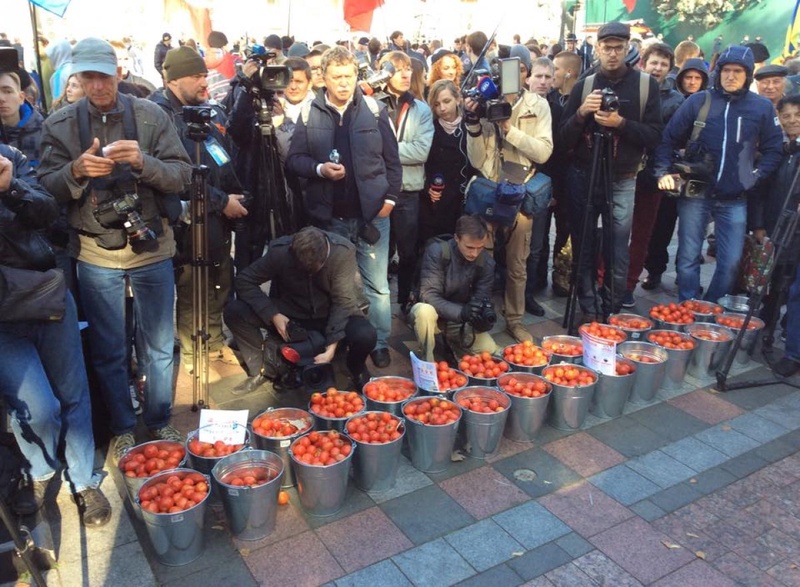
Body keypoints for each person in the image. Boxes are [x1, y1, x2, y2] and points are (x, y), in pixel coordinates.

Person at [38, 38, 192, 461]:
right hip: (95, 251)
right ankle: (123, 425)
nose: (97, 85)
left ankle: (159, 418)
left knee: (159, 344)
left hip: (152, 246)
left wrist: (144, 163)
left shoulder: (150, 114)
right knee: (109, 348)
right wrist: (75, 170)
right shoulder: (61, 124)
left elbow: (181, 176)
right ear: (77, 77)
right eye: (87, 76)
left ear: (118, 73)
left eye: (103, 75)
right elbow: (43, 188)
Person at [0, 143, 112, 526]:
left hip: (44, 294)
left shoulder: (9, 158)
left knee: (72, 394)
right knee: (37, 408)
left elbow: (49, 216)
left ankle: (83, 480)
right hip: (3, 317)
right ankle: (40, 467)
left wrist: (10, 187)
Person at [286, 46, 402, 369]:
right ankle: (341, 340)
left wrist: (390, 200)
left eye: (349, 76)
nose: (344, 83)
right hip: (331, 219)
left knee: (377, 285)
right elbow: (294, 160)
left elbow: (393, 163)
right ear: (323, 77)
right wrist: (320, 169)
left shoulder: (376, 111)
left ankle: (378, 342)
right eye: (337, 77)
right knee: (339, 285)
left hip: (373, 216)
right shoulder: (309, 113)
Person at [654, 45, 784, 303]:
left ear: (747, 75)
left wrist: (755, 175)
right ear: (718, 72)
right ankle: (688, 306)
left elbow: (773, 150)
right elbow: (667, 139)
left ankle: (712, 308)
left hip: (735, 197)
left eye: (738, 71)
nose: (731, 76)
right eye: (726, 70)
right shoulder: (698, 101)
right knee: (689, 255)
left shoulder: (761, 108)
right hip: (696, 192)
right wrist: (662, 172)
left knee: (731, 261)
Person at [150, 46, 248, 383]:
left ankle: (216, 342)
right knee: (193, 285)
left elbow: (222, 157)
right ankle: (193, 353)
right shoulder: (160, 114)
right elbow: (184, 176)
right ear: (174, 79)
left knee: (221, 278)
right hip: (188, 218)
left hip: (220, 215)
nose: (205, 81)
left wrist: (235, 197)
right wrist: (223, 202)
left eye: (205, 74)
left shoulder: (208, 110)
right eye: (197, 76)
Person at [559, 21, 662, 320]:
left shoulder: (645, 85)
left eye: (619, 47)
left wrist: (621, 124)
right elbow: (563, 138)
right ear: (598, 49)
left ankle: (611, 308)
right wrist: (581, 113)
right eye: (607, 48)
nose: (613, 53)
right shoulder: (584, 85)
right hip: (584, 175)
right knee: (584, 242)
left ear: (628, 48)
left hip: (624, 177)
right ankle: (589, 308)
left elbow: (655, 136)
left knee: (618, 247)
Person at [464, 44, 553, 340]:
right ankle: (481, 318)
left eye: (520, 70)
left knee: (517, 265)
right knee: (482, 260)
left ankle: (515, 319)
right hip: (489, 189)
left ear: (526, 74)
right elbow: (476, 161)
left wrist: (508, 128)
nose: (514, 77)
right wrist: (474, 125)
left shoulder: (537, 105)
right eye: (505, 71)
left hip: (519, 190)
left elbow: (543, 152)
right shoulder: (485, 100)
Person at [224, 226, 377, 394]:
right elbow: (244, 280)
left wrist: (332, 346)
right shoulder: (280, 252)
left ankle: (355, 368)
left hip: (331, 312)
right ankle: (261, 371)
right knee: (234, 311)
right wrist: (272, 314)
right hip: (292, 312)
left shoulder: (342, 252)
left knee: (366, 335)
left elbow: (342, 301)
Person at [622, 42, 684, 307]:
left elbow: (669, 141)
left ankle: (628, 284)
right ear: (643, 64)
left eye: (663, 64)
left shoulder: (676, 100)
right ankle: (607, 280)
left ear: (669, 69)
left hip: (652, 176)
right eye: (654, 62)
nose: (657, 68)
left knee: (641, 235)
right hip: (623, 172)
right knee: (614, 231)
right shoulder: (631, 89)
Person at [641, 56, 709, 291]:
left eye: (697, 78)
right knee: (662, 227)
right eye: (688, 77)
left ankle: (685, 274)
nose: (692, 82)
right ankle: (655, 270)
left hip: (697, 174)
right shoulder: (671, 99)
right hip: (670, 171)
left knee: (692, 230)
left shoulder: (710, 103)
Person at [378, 51, 434, 313]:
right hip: (377, 190)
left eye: (408, 68)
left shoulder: (421, 109)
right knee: (379, 253)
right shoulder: (369, 104)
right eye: (398, 68)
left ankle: (403, 300)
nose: (404, 73)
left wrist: (384, 150)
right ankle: (377, 303)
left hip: (408, 192)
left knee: (408, 251)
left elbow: (421, 151)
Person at [750, 95, 800, 376]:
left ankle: (794, 352)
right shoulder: (779, 152)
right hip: (778, 229)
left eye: (798, 115)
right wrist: (759, 225)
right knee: (773, 285)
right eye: (787, 116)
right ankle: (765, 329)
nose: (792, 120)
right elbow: (760, 190)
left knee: (796, 293)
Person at [410, 215, 497, 362]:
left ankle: (455, 345)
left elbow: (482, 298)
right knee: (423, 312)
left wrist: (482, 319)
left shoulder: (487, 262)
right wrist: (462, 312)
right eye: (469, 247)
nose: (474, 253)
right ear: (457, 238)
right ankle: (427, 363)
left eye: (480, 248)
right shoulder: (436, 251)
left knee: (489, 351)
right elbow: (429, 295)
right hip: (435, 313)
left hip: (460, 319)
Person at [419, 79, 476, 246]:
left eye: (446, 101)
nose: (442, 108)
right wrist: (428, 186)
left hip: (463, 198)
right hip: (437, 198)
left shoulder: (470, 125)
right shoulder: (430, 128)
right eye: (436, 104)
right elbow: (425, 163)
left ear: (457, 99)